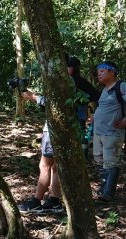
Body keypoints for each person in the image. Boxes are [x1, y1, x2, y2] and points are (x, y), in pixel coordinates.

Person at [18, 56, 99, 213]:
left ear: (71, 68)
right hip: (73, 128)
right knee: (55, 166)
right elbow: (95, 95)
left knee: (45, 165)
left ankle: (36, 201)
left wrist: (33, 97)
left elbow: (54, 103)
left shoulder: (66, 83)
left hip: (57, 128)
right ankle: (54, 201)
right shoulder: (79, 82)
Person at [93, 60, 126, 201]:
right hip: (99, 132)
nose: (99, 74)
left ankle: (107, 193)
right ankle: (103, 187)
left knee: (110, 161)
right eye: (98, 72)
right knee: (99, 159)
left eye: (102, 71)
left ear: (112, 72)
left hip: (112, 133)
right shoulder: (104, 89)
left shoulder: (122, 86)